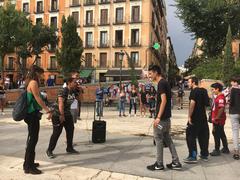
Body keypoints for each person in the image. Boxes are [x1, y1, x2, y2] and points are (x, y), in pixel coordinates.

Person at [147, 65, 182, 171]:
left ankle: (159, 164)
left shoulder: (161, 83)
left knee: (158, 139)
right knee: (168, 139)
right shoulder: (165, 83)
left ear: (156, 72)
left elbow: (164, 100)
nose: (149, 76)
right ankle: (176, 162)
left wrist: (158, 117)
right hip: (166, 118)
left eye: (150, 73)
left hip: (161, 119)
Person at [23, 65, 52, 174]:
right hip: (31, 115)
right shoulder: (33, 83)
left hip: (31, 114)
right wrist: (47, 110)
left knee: (32, 139)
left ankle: (29, 162)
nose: (42, 76)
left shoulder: (30, 82)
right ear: (36, 73)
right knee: (33, 140)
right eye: (41, 74)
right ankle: (29, 167)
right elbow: (38, 98)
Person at [184, 77, 210, 163]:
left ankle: (192, 156)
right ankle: (204, 155)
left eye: (189, 82)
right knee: (203, 136)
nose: (188, 84)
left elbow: (192, 103)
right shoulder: (204, 91)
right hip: (203, 117)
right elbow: (207, 104)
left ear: (193, 83)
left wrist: (189, 116)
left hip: (195, 118)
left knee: (190, 136)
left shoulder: (194, 91)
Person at [210, 83, 229, 156]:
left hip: (218, 120)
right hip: (218, 119)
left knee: (216, 134)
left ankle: (217, 150)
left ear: (217, 89)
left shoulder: (220, 97)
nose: (212, 91)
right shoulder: (218, 96)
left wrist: (216, 118)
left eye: (213, 89)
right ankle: (225, 148)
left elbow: (221, 108)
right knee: (221, 133)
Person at [229, 77, 240, 160]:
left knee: (235, 131)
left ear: (235, 82)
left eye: (231, 82)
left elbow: (231, 101)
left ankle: (236, 152)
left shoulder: (233, 89)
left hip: (234, 112)